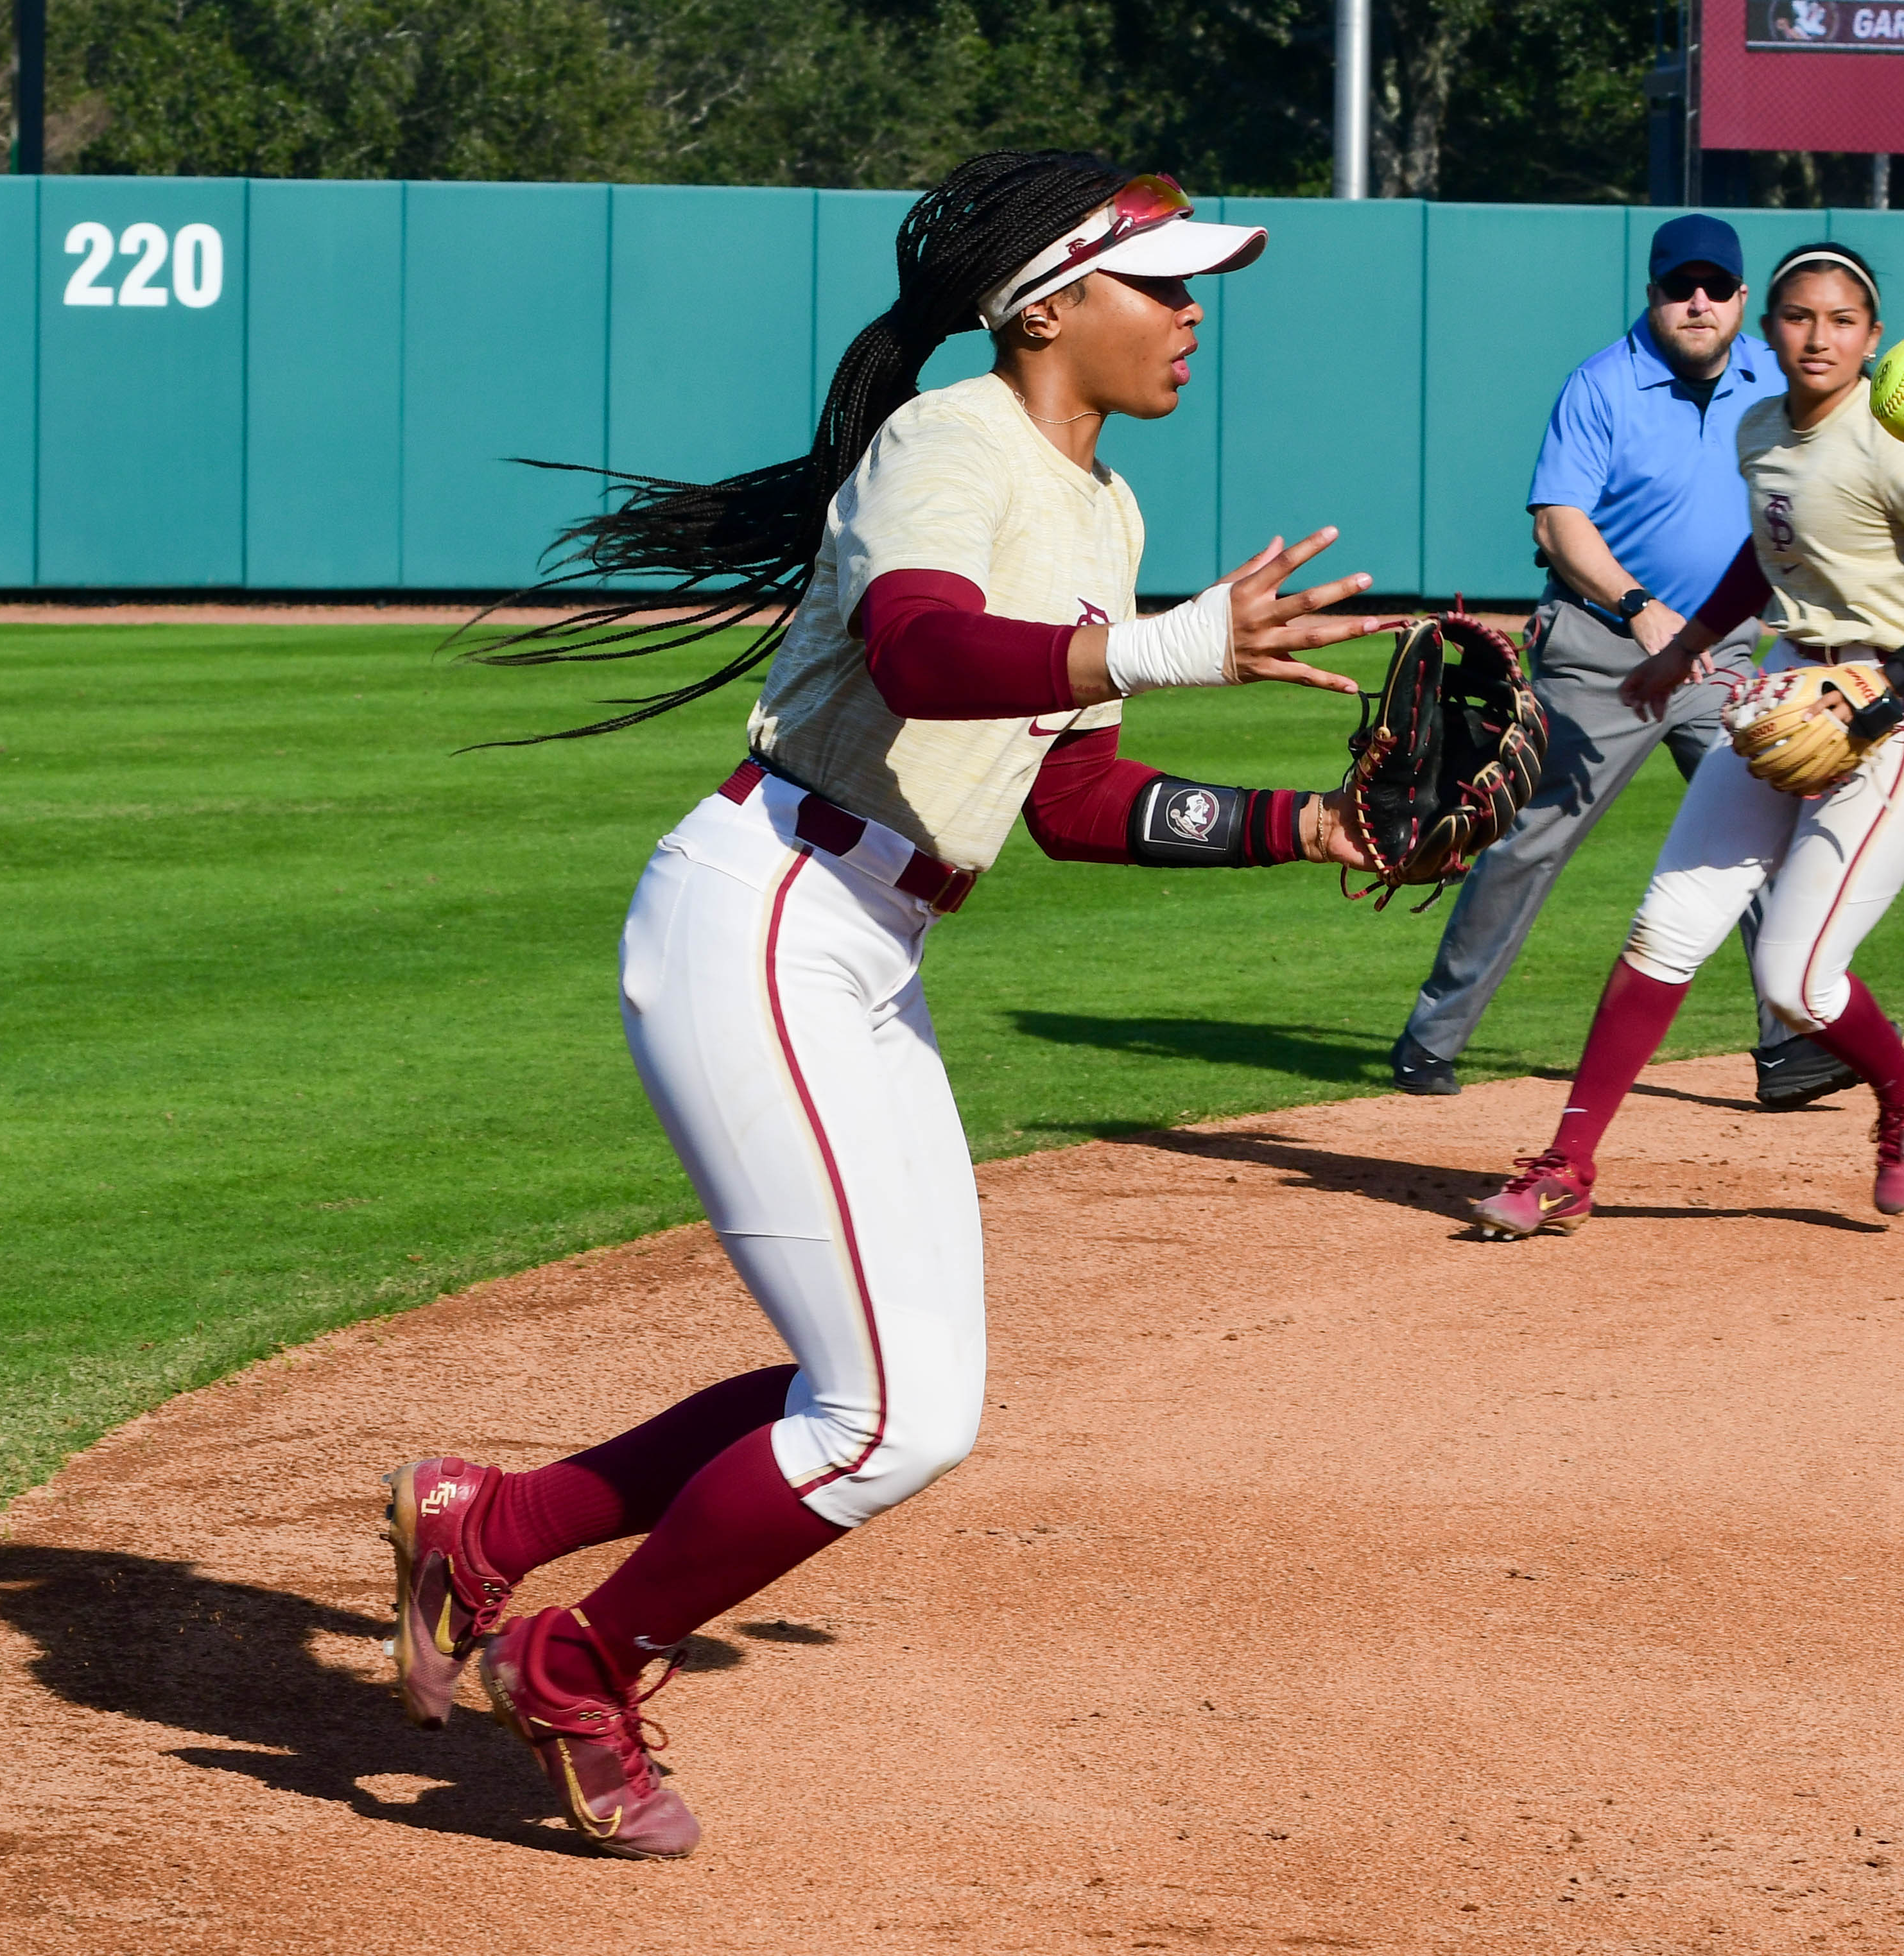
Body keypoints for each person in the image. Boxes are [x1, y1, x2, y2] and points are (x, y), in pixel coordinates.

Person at [379, 151, 1394, 1859]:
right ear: (1050, 307)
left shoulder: (1105, 513)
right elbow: (924, 655)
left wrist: (1307, 828)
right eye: (1163, 285)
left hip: (869, 944)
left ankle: (490, 1529)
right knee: (887, 1415)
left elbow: (1070, 802)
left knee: (894, 1390)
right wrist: (1160, 648)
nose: (1190, 315)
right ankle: (576, 1658)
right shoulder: (947, 444)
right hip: (765, 915)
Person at [1469, 239, 1904, 1240]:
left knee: (1794, 978)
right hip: (1794, 689)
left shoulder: (1898, 440)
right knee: (1668, 925)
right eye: (1799, 317)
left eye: (1842, 320)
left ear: (1874, 340)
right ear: (1768, 329)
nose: (1818, 336)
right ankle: (1568, 1165)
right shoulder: (1762, 425)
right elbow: (1763, 553)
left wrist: (1890, 688)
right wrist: (1680, 646)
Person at [1390, 213, 1859, 1115]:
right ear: (1651, 294)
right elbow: (1558, 522)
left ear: (1741, 301)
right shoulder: (1604, 385)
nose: (1697, 303)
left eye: (1716, 288)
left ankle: (1791, 1043)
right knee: (1528, 844)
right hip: (1604, 651)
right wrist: (1638, 607)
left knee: (1761, 832)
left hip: (1720, 653)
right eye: (1680, 286)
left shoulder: (1773, 375)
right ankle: (1431, 1037)